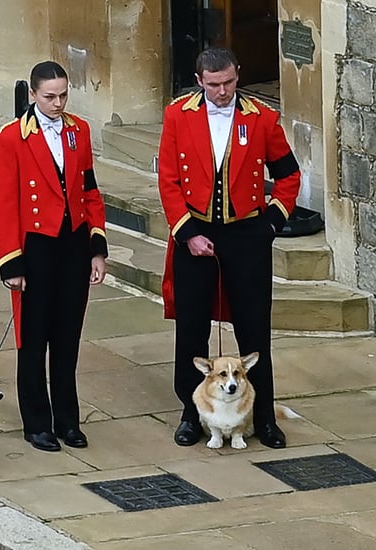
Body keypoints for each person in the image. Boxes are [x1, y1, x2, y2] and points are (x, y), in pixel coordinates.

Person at [158, 47, 301, 449]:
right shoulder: (177, 115)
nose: (223, 92)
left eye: (229, 83)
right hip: (195, 233)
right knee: (192, 331)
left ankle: (265, 417)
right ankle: (192, 414)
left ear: (238, 75)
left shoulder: (262, 118)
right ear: (200, 80)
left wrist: (272, 222)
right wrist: (186, 233)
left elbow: (289, 174)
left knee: (254, 331)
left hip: (245, 236)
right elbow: (168, 180)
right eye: (214, 85)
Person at [0, 61, 108, 452]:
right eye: (49, 96)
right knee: (34, 339)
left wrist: (97, 248)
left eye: (63, 95)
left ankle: (68, 421)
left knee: (67, 338)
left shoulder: (79, 131)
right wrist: (11, 262)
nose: (58, 103)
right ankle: (37, 423)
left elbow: (90, 189)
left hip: (73, 244)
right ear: (33, 95)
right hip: (35, 247)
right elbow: (5, 204)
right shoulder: (12, 138)